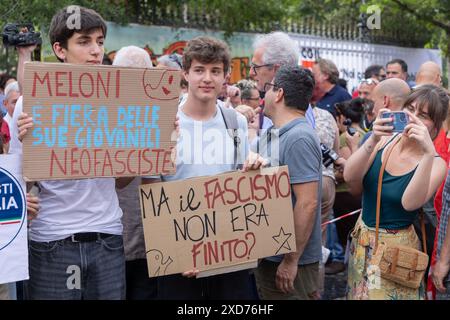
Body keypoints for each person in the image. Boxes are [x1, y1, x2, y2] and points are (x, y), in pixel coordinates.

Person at [16, 6, 130, 300]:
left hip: (107, 238)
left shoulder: (119, 100)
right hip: (52, 241)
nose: (96, 51)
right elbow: (19, 181)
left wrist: (145, 147)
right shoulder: (29, 103)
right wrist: (23, 196)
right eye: (84, 41)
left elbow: (122, 180)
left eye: (100, 41)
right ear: (60, 49)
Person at [146, 36, 265, 300]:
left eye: (215, 71)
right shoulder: (163, 121)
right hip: (178, 255)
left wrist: (255, 167)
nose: (207, 78)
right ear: (185, 74)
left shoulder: (235, 122)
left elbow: (241, 181)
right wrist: (177, 253)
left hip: (227, 251)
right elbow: (151, 192)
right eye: (199, 70)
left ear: (225, 76)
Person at [344, 84, 448, 299]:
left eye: (424, 115)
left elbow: (410, 202)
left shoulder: (437, 163)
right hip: (362, 242)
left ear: (435, 127)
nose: (413, 118)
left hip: (395, 254)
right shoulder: (384, 139)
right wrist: (372, 138)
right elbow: (349, 177)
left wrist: (428, 153)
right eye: (410, 109)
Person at [254, 65, 322, 300]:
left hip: (289, 264)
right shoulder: (276, 132)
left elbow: (308, 203)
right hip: (270, 257)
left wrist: (290, 260)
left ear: (279, 93)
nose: (265, 94)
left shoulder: (299, 137)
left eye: (269, 88)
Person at [111, 45, 158, 300]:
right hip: (112, 242)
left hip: (150, 241)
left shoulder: (164, 114)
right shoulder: (99, 115)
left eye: (140, 75)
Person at [250, 31, 315, 129]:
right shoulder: (287, 104)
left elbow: (277, 143)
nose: (251, 73)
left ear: (277, 69)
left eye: (256, 67)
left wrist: (253, 138)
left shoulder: (289, 109)